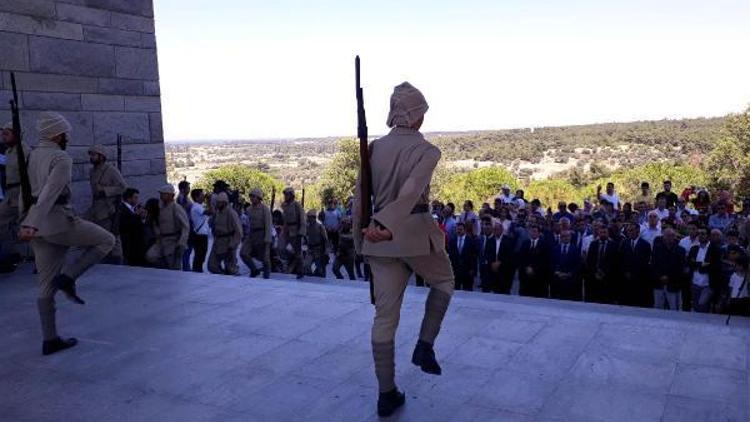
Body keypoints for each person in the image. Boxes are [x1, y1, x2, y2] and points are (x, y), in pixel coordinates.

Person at [352, 82, 454, 417]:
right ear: (417, 116)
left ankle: (386, 394)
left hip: (378, 243)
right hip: (412, 236)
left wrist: (363, 238)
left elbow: (361, 196)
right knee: (444, 283)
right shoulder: (428, 152)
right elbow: (412, 190)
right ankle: (425, 345)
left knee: (384, 318)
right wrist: (388, 224)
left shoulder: (375, 149)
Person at [19, 112, 115, 355]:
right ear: (57, 134)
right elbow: (50, 192)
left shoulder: (31, 155)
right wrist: (32, 222)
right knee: (107, 240)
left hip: (38, 228)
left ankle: (49, 340)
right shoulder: (60, 157)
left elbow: (25, 190)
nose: (67, 138)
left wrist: (27, 220)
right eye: (65, 133)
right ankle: (69, 277)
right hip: (57, 222)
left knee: (44, 287)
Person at [86, 144, 126, 264]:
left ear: (101, 156)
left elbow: (123, 187)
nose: (91, 157)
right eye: (91, 155)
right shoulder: (92, 171)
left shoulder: (111, 170)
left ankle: (118, 261)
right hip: (96, 208)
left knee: (113, 236)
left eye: (94, 155)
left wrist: (105, 191)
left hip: (109, 209)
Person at [145, 185, 189, 270]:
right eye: (161, 194)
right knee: (150, 256)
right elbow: (157, 222)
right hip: (161, 241)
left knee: (173, 267)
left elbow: (185, 227)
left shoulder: (176, 208)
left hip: (173, 242)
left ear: (170, 195)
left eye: (163, 194)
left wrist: (182, 243)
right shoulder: (161, 208)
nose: (161, 196)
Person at [0, 121, 30, 243]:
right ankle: (11, 251)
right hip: (9, 193)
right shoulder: (8, 151)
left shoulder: (24, 151)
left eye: (6, 134)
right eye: (3, 134)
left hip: (21, 192)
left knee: (27, 224)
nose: (3, 137)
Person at [687, 227, 722, 312]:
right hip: (695, 282)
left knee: (702, 305)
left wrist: (698, 265)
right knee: (695, 306)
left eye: (703, 234)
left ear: (708, 236)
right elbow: (690, 263)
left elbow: (715, 266)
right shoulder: (694, 249)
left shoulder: (715, 249)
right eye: (699, 234)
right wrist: (701, 264)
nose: (701, 236)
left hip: (707, 284)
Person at [617, 223, 652, 307]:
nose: (629, 232)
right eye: (628, 230)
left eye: (632, 230)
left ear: (638, 231)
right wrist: (626, 272)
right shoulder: (624, 243)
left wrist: (635, 273)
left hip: (640, 279)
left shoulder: (645, 245)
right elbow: (621, 260)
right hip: (626, 278)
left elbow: (645, 262)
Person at [651, 228, 686, 310]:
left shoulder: (681, 251)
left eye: (672, 235)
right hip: (658, 283)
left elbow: (680, 268)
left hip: (674, 284)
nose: (670, 237)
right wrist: (660, 276)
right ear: (663, 237)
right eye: (667, 235)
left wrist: (668, 277)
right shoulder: (657, 249)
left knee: (674, 309)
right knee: (658, 308)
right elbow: (653, 265)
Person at [240, 188, 272, 279]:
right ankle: (254, 270)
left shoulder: (265, 209)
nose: (252, 198)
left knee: (265, 258)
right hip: (251, 234)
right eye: (250, 196)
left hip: (261, 234)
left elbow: (268, 225)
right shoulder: (249, 209)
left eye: (254, 196)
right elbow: (246, 223)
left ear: (259, 198)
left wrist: (267, 240)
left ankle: (266, 276)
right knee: (243, 253)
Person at [207, 192, 242, 275]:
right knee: (212, 266)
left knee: (231, 269)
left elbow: (239, 231)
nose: (217, 204)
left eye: (219, 202)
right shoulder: (217, 212)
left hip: (228, 242)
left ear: (224, 202)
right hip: (218, 242)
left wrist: (233, 245)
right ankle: (222, 275)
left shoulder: (231, 213)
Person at [585, 225, 618, 304]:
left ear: (608, 233)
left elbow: (615, 262)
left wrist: (604, 273)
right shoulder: (593, 244)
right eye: (601, 232)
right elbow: (589, 261)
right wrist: (595, 272)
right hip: (594, 277)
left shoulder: (614, 245)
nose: (603, 234)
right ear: (598, 233)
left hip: (608, 278)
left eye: (604, 232)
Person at [518, 224, 551, 298]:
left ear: (539, 233)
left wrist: (534, 269)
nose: (533, 233)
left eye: (535, 231)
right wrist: (526, 268)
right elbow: (521, 258)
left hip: (538, 278)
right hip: (525, 277)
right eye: (532, 231)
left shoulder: (544, 245)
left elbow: (544, 261)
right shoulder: (525, 243)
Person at [482, 220, 514, 294]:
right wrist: (492, 263)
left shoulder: (508, 241)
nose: (496, 231)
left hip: (504, 271)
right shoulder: (490, 241)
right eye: (495, 229)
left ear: (502, 230)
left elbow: (510, 256)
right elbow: (487, 254)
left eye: (498, 229)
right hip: (492, 270)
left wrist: (500, 263)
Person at [281, 187, 306, 279]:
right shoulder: (284, 205)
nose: (285, 196)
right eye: (285, 194)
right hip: (288, 231)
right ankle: (288, 266)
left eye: (287, 194)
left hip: (296, 231)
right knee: (282, 249)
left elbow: (302, 219)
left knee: (298, 253)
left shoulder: (297, 205)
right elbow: (285, 220)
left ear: (291, 195)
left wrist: (301, 233)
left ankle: (301, 270)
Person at [550, 230, 582, 301]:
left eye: (567, 236)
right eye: (563, 236)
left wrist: (569, 274)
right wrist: (557, 272)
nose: (565, 238)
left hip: (570, 282)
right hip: (557, 281)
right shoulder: (555, 249)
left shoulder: (576, 249)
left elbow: (578, 264)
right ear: (560, 238)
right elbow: (551, 263)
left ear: (570, 237)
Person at [119, 188, 146, 266]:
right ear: (128, 198)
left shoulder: (132, 209)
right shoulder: (122, 209)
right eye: (135, 197)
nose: (137, 200)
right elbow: (125, 225)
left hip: (135, 246)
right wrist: (136, 216)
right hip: (129, 246)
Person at [447, 222, 478, 291]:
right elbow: (451, 255)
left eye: (460, 229)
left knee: (467, 290)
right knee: (455, 290)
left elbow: (474, 256)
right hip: (456, 270)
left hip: (467, 270)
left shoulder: (470, 241)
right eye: (457, 229)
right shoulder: (452, 241)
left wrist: (473, 269)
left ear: (464, 230)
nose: (459, 231)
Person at [189, 189, 210, 272]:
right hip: (200, 235)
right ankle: (197, 271)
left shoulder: (198, 206)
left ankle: (198, 270)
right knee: (200, 255)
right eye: (202, 195)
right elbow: (210, 212)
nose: (203, 197)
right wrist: (209, 201)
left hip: (200, 234)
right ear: (196, 197)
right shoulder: (197, 206)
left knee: (200, 255)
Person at [305, 208, 328, 277]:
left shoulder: (320, 226)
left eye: (309, 217)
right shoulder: (308, 226)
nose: (308, 219)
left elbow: (325, 239)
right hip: (310, 249)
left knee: (320, 268)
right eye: (308, 217)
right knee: (307, 265)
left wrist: (326, 250)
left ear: (314, 218)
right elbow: (306, 235)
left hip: (318, 250)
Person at [176, 180, 193, 271]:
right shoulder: (182, 198)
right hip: (186, 225)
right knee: (187, 249)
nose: (189, 189)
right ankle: (186, 269)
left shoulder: (184, 197)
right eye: (187, 188)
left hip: (187, 224)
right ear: (183, 189)